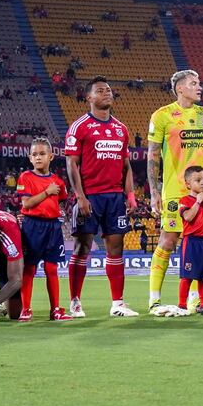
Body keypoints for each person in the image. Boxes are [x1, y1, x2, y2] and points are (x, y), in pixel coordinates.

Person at [147, 70, 203, 314]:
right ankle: (155, 301)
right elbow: (153, 156)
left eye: (199, 83)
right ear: (180, 88)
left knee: (199, 242)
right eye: (194, 83)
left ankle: (194, 301)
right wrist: (154, 191)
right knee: (169, 240)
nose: (200, 87)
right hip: (175, 191)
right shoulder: (162, 115)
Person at [65, 76, 138, 317]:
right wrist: (81, 197)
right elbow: (72, 164)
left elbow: (126, 165)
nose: (107, 93)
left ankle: (118, 303)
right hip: (90, 197)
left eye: (108, 90)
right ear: (89, 97)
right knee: (82, 247)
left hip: (115, 198)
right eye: (100, 91)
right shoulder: (80, 126)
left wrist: (130, 195)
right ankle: (75, 301)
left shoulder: (121, 128)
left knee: (116, 249)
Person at [17, 138, 72, 321]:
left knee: (51, 268)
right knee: (29, 268)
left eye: (42, 154)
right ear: (29, 158)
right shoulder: (25, 177)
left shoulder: (58, 181)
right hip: (32, 226)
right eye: (34, 154)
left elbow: (62, 200)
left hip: (53, 227)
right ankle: (25, 309)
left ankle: (55, 309)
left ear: (51, 156)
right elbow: (27, 204)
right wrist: (47, 192)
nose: (38, 157)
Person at [176, 167, 203, 316]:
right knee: (187, 275)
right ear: (188, 184)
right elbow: (188, 217)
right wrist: (198, 202)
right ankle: (181, 305)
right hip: (192, 242)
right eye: (198, 180)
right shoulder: (184, 200)